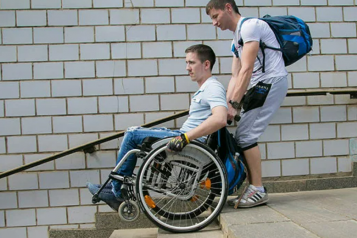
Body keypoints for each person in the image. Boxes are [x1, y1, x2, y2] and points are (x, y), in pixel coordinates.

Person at [87, 44, 228, 211]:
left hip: (189, 142)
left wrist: (186, 137)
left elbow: (220, 118)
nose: (187, 68)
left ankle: (116, 191)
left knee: (132, 134)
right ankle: (115, 186)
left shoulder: (212, 87)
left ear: (206, 64)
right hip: (183, 137)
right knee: (136, 133)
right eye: (186, 63)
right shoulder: (206, 88)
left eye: (191, 63)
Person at [206, 0, 288, 208]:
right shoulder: (235, 40)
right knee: (243, 136)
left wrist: (234, 103)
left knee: (246, 136)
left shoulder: (250, 26)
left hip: (270, 81)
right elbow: (235, 76)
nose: (214, 23)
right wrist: (225, 107)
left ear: (227, 7)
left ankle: (258, 189)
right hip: (257, 86)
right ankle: (254, 187)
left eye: (215, 17)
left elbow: (247, 68)